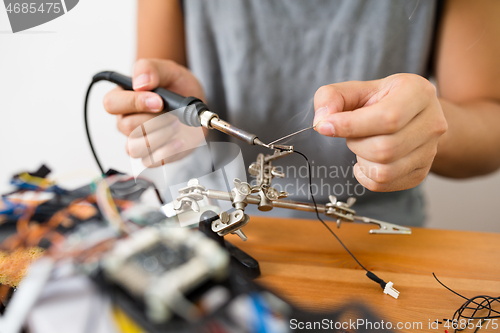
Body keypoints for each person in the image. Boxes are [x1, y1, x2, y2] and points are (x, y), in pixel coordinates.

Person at [103, 0, 500, 226]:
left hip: (371, 231)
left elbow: (489, 120)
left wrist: (423, 131)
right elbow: (157, 101)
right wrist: (172, 121)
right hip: (208, 222)